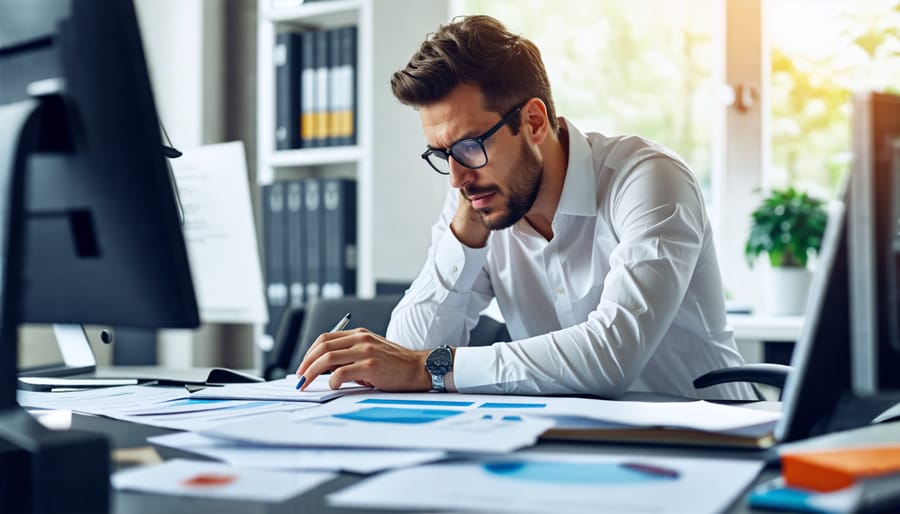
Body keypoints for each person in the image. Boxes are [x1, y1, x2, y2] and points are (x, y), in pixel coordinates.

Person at [297, 15, 754, 400]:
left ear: (533, 122)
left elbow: (611, 357)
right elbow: (405, 349)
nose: (456, 177)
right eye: (441, 155)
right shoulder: (477, 198)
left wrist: (428, 368)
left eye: (470, 146)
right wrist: (462, 239)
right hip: (578, 449)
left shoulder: (648, 179)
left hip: (716, 442)